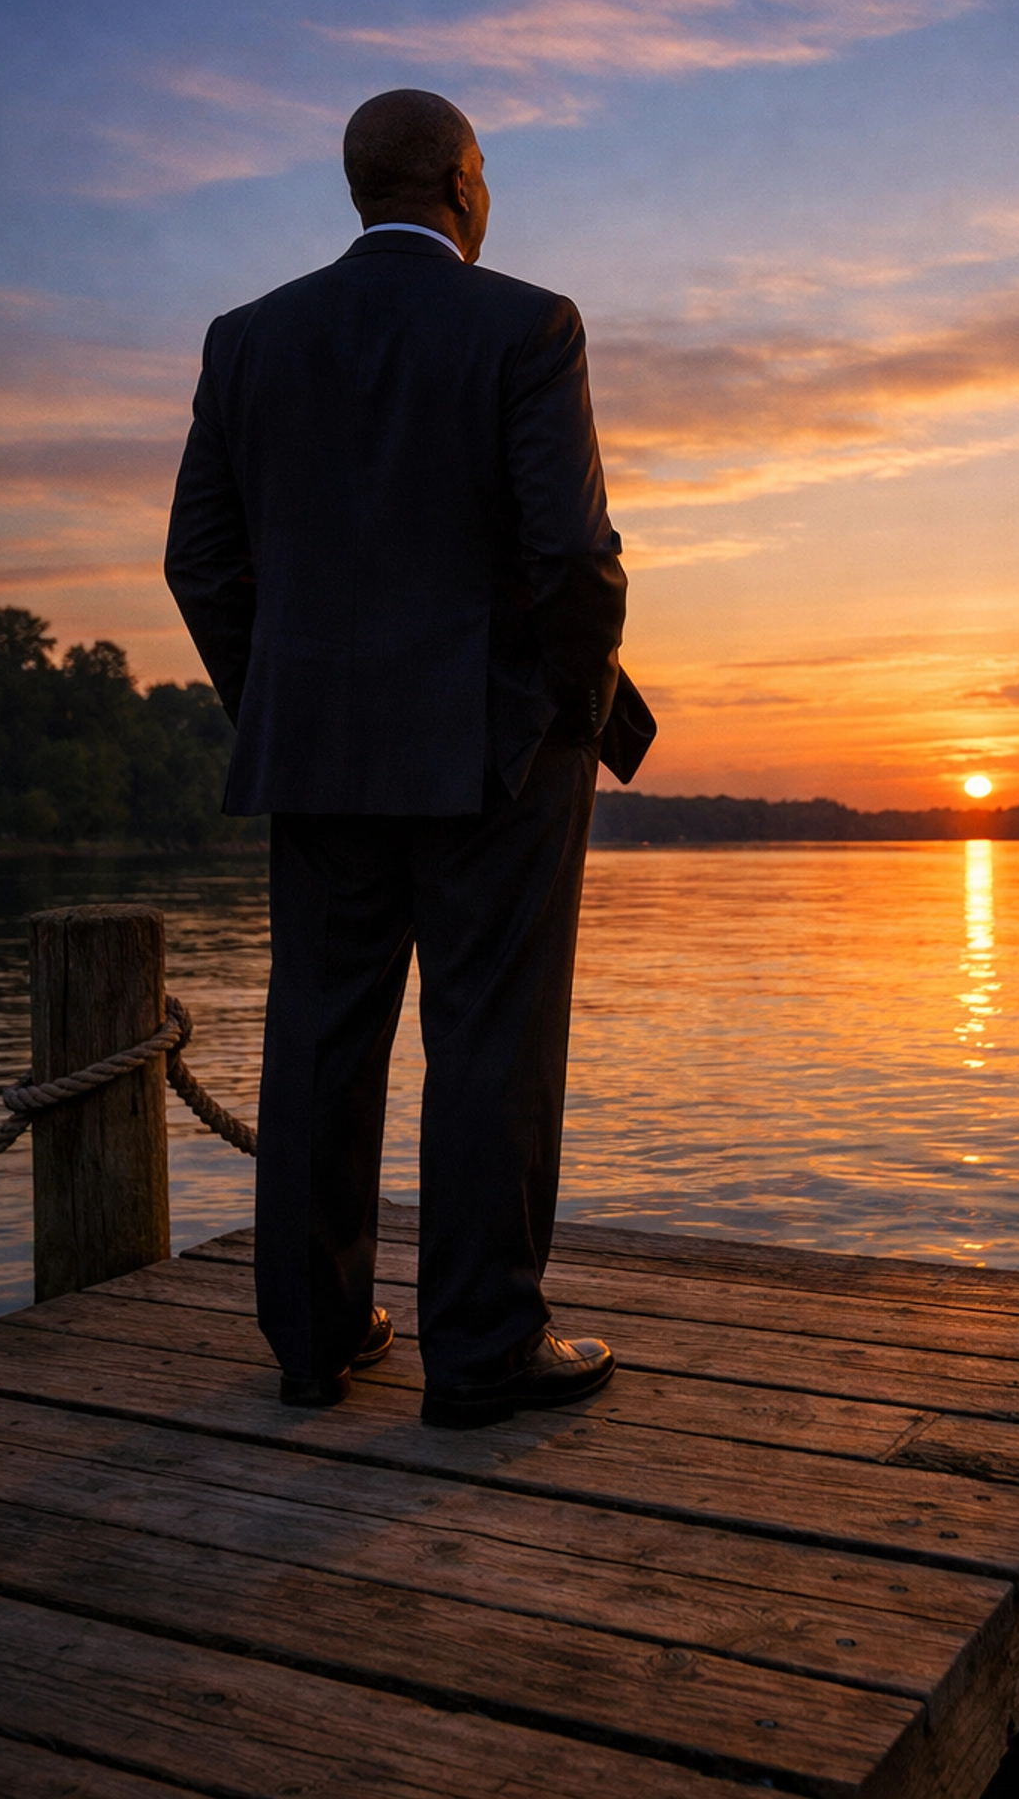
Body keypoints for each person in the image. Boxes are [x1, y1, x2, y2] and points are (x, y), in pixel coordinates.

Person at [164, 88, 654, 1427]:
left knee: (321, 1039)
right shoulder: (527, 326)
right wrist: (573, 706)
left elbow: (198, 559)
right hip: (496, 759)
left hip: (314, 755)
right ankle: (483, 1348)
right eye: (485, 176)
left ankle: (314, 1342)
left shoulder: (248, 338)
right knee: (489, 1039)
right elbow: (571, 557)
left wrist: (284, 697)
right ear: (462, 182)